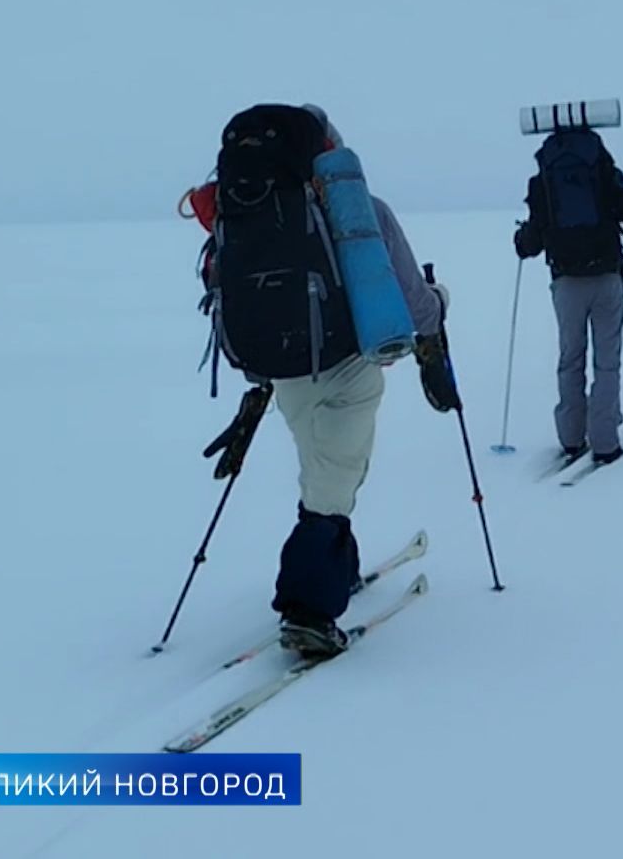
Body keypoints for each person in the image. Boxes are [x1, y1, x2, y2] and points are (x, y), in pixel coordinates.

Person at [185, 103, 449, 658]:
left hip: (282, 372)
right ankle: (308, 610)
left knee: (323, 471)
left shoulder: (245, 210)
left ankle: (335, 566)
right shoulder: (355, 209)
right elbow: (414, 304)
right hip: (346, 366)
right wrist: (437, 311)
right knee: (332, 485)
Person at [513, 126, 623, 464]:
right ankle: (605, 440)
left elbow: (532, 242)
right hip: (607, 277)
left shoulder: (543, 181)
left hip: (566, 282)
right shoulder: (605, 173)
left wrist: (521, 240)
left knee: (570, 358)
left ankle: (570, 436)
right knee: (606, 362)